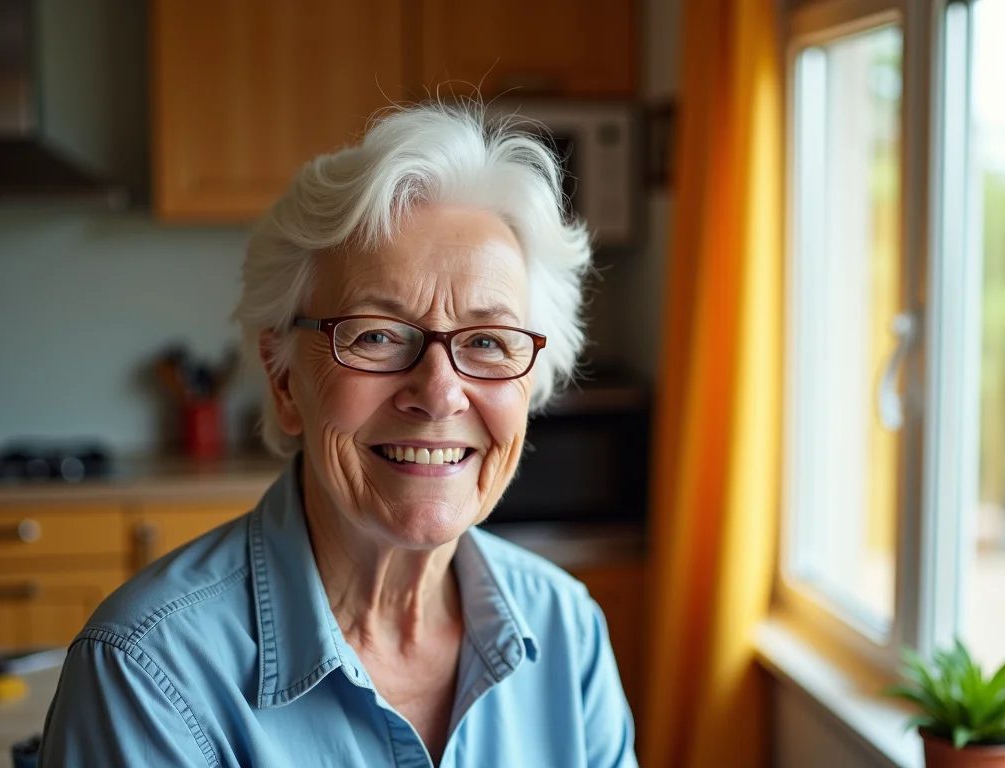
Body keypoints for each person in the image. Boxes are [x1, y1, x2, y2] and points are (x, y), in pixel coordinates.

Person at [39, 103, 637, 767]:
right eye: (377, 335)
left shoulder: (566, 631)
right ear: (284, 380)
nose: (439, 392)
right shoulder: (149, 671)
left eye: (489, 341)